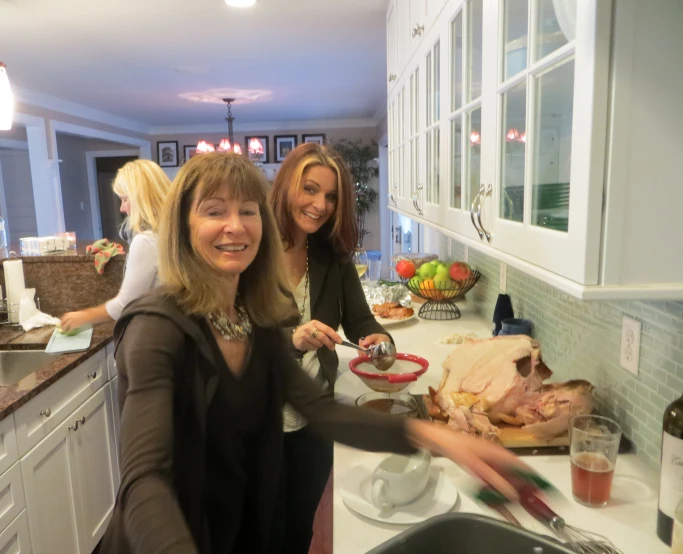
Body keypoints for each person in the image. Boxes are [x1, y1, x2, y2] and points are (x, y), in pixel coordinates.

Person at [99, 152, 529, 554]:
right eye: (214, 211)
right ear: (182, 227)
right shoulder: (157, 327)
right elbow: (144, 481)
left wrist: (433, 437)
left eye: (248, 210)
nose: (235, 226)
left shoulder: (257, 320)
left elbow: (321, 410)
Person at [268, 142, 391, 553]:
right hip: (259, 421)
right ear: (286, 186)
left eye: (331, 196)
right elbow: (232, 339)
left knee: (300, 526)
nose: (320, 205)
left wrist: (380, 338)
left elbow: (360, 319)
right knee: (261, 532)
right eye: (309, 189)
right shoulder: (252, 251)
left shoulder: (330, 254)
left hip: (313, 421)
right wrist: (292, 340)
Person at [59, 159, 171, 332]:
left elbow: (126, 304)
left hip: (156, 333)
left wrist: (83, 316)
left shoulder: (146, 241)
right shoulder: (169, 234)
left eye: (125, 199)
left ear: (141, 198)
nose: (122, 208)